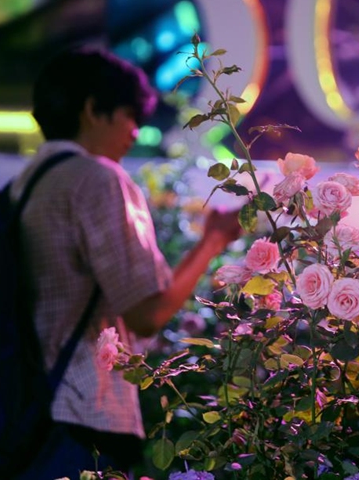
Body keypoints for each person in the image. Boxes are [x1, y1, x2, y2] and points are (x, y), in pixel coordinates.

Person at [12, 47, 241, 478]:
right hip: (83, 417)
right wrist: (212, 240)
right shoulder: (97, 180)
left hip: (24, 410)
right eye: (130, 116)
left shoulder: (24, 184)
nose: (135, 133)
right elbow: (147, 313)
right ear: (92, 110)